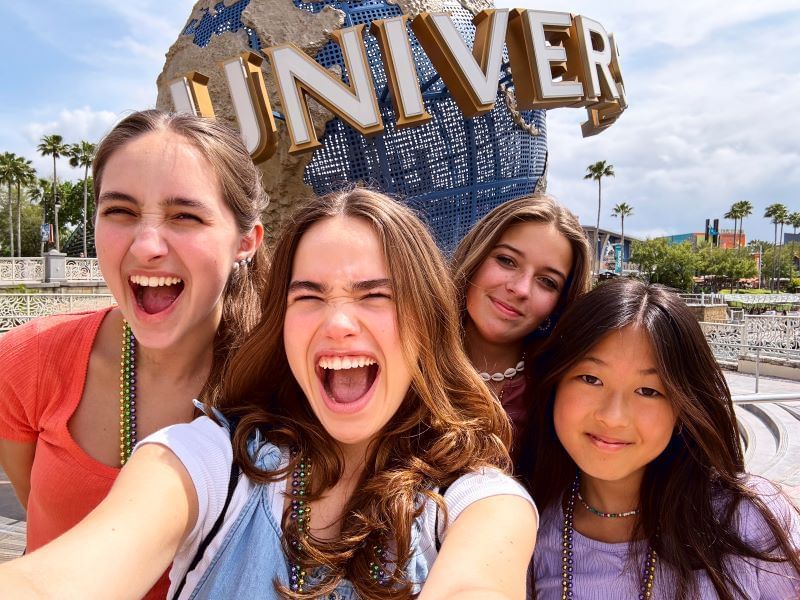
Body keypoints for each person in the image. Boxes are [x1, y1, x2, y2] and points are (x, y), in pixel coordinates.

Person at [0, 188, 537, 599]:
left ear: (428, 323)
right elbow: (68, 577)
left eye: (376, 296)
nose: (339, 323)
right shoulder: (211, 460)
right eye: (310, 296)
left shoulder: (480, 501)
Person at [0, 110, 267, 599]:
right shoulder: (28, 360)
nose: (146, 246)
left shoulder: (284, 380)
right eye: (119, 211)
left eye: (185, 216)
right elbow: (36, 513)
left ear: (245, 241)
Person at [522, 278, 800, 599]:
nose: (613, 417)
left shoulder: (749, 520)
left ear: (682, 408)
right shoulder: (524, 535)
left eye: (648, 391)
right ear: (555, 383)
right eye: (591, 378)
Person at [450, 194, 590, 443]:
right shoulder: (408, 357)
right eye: (507, 260)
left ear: (560, 303)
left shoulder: (557, 394)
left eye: (547, 282)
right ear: (476, 256)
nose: (521, 289)